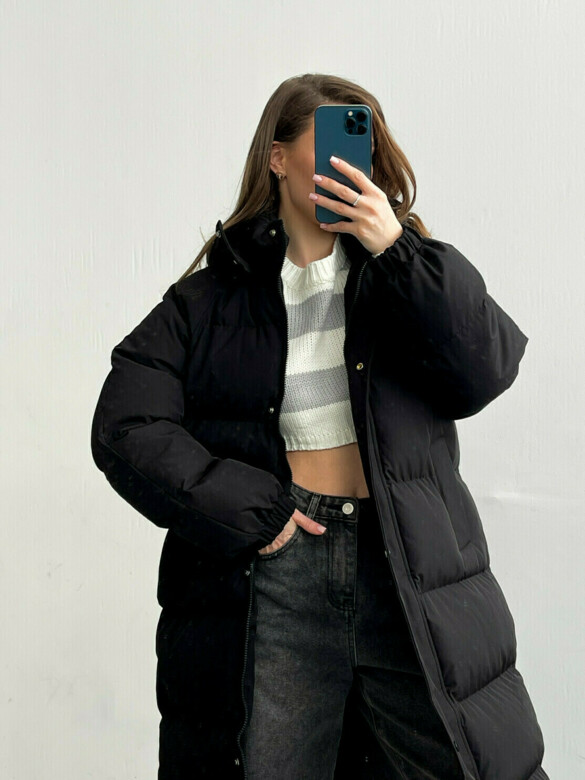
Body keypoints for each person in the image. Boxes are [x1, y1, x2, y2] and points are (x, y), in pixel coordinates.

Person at [91, 73, 549, 780]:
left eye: (359, 146)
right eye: (328, 144)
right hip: (278, 567)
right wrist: (253, 510)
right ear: (278, 158)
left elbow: (486, 369)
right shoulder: (208, 300)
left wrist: (396, 249)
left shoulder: (404, 273)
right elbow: (125, 424)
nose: (347, 164)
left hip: (401, 565)